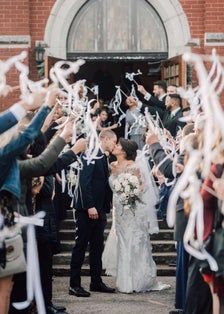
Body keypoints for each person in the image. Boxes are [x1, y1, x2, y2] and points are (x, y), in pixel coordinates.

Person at [103, 138, 169, 293]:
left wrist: (131, 193)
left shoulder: (135, 167)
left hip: (133, 209)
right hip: (118, 210)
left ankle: (137, 280)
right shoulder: (111, 166)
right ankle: (125, 280)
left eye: (118, 145)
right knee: (122, 242)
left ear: (124, 151)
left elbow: (143, 187)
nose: (116, 146)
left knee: (135, 241)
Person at [69, 129, 117, 297]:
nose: (114, 145)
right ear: (104, 138)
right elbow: (84, 181)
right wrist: (90, 206)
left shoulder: (103, 156)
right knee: (80, 246)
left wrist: (105, 206)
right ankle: (74, 285)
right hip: (86, 208)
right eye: (113, 141)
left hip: (100, 209)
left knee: (97, 247)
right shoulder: (91, 153)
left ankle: (96, 282)